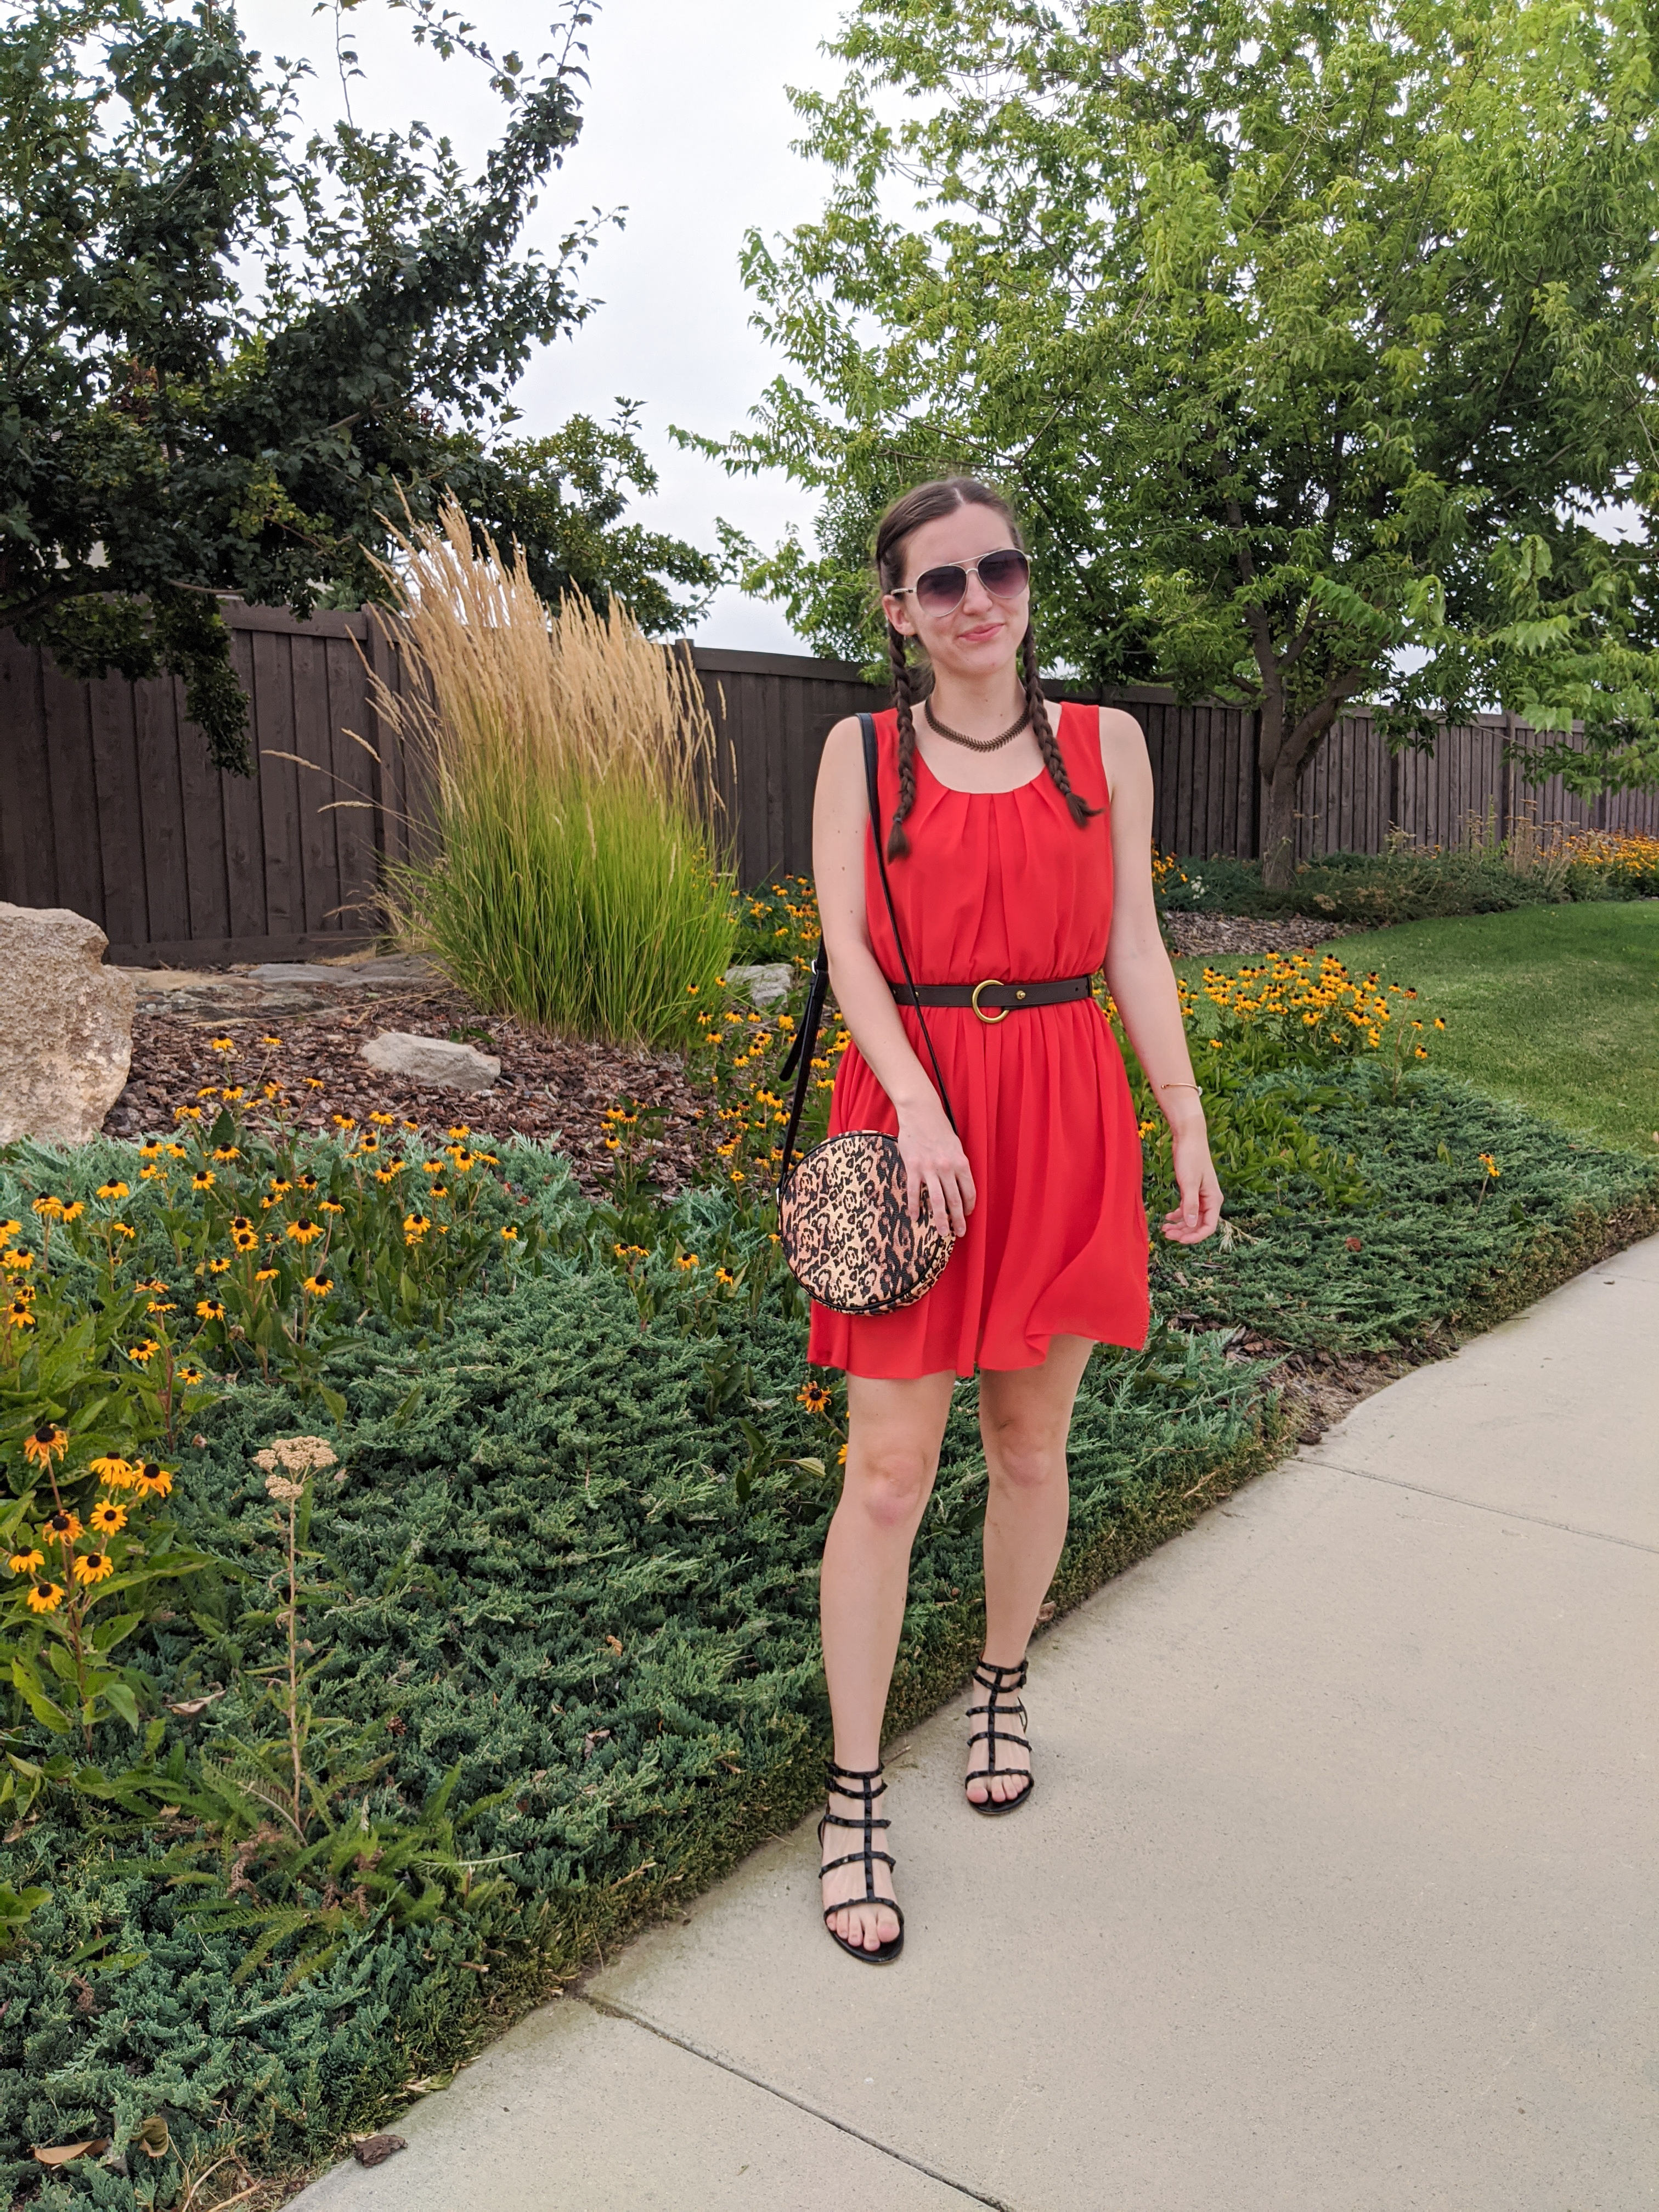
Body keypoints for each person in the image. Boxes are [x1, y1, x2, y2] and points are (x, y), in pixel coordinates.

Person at [806, 476, 1222, 1963]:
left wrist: (1181, 1112)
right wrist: (915, 1102)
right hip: (915, 1116)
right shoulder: (862, 753)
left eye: (1000, 569)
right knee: (886, 1471)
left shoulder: (1107, 748)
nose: (978, 600)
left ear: (1026, 584)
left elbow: (1133, 941)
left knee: (1030, 1443)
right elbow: (847, 947)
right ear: (897, 608)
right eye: (941, 582)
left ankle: (997, 1681)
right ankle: (852, 1796)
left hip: (1063, 1106)